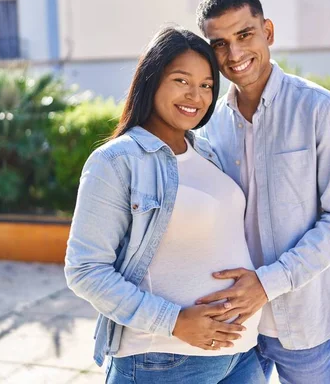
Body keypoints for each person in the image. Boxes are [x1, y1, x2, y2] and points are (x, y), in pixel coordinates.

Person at [64, 25, 265, 384]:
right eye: (181, 80)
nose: (196, 95)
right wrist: (173, 321)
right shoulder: (117, 160)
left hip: (241, 357)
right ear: (152, 80)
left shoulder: (205, 153)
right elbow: (85, 270)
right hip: (164, 360)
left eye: (206, 85)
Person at [195, 0, 330, 383]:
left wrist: (267, 285)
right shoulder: (210, 123)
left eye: (244, 35)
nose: (234, 54)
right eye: (220, 43)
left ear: (268, 31)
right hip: (236, 324)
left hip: (303, 325)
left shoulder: (320, 109)